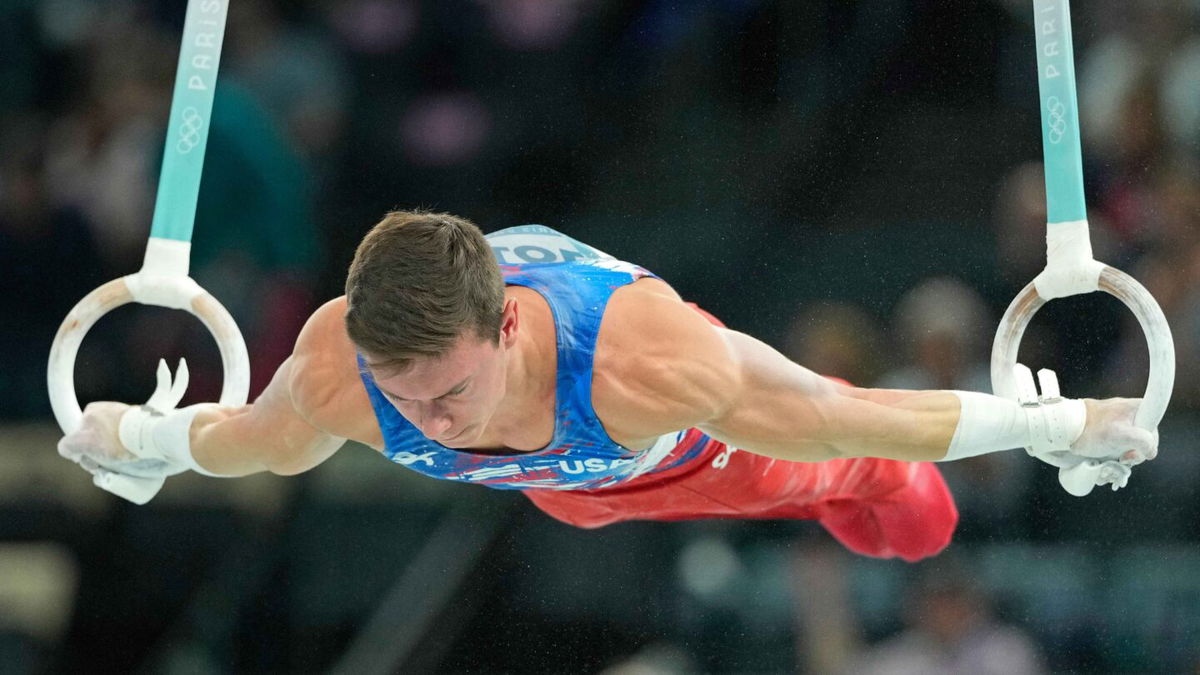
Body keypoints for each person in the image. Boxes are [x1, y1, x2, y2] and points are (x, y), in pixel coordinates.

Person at [56, 212, 1157, 562]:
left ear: (509, 325)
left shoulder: (643, 359)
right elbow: (252, 442)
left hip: (693, 455)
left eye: (445, 392)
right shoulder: (345, 374)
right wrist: (139, 443)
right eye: (406, 399)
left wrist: (1061, 419)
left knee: (908, 519)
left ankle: (860, 493)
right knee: (558, 492)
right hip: (568, 488)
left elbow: (845, 410)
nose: (429, 424)